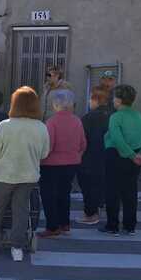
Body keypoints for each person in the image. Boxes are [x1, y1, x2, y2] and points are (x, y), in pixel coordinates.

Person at [0, 87, 50, 262]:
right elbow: (44, 153)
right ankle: (17, 248)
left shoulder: (5, 126)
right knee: (21, 211)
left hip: (3, 176)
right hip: (28, 176)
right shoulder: (41, 127)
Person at [99, 84, 141, 236]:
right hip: (136, 157)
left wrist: (130, 154)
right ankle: (130, 225)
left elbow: (117, 138)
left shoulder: (115, 117)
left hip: (116, 155)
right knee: (130, 191)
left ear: (118, 100)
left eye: (114, 97)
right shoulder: (139, 116)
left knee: (112, 191)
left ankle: (112, 225)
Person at [39, 89, 87, 237]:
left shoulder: (51, 122)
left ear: (55, 105)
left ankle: (52, 227)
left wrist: (39, 159)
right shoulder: (77, 120)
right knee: (64, 194)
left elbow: (48, 146)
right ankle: (64, 223)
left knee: (49, 195)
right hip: (72, 163)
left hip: (51, 164)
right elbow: (83, 144)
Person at [77, 86, 112, 225]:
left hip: (89, 157)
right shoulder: (112, 116)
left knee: (88, 186)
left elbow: (81, 139)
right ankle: (101, 207)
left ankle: (91, 214)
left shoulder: (87, 118)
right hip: (108, 155)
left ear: (95, 100)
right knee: (104, 184)